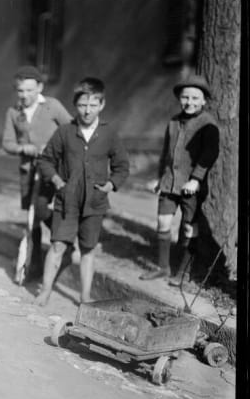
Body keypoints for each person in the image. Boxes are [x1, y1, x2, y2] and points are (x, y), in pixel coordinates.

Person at [34, 78, 130, 305]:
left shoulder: (109, 134)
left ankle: (85, 295)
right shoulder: (65, 132)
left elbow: (122, 165)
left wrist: (110, 185)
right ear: (75, 106)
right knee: (57, 244)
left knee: (88, 249)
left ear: (102, 105)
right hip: (66, 201)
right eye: (82, 105)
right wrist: (57, 180)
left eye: (93, 105)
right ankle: (45, 291)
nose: (87, 111)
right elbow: (46, 160)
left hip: (94, 203)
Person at [139, 75, 219, 287]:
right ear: (179, 99)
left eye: (195, 98)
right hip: (168, 184)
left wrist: (195, 180)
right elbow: (166, 153)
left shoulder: (207, 124)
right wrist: (159, 178)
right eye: (185, 97)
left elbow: (209, 154)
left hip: (190, 187)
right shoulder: (174, 122)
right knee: (163, 223)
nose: (189, 102)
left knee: (188, 228)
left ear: (204, 101)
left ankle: (183, 273)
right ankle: (163, 267)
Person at [1, 65, 73, 279]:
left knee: (41, 210)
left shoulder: (52, 106)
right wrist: (24, 148)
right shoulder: (14, 112)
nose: (24, 95)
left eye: (29, 90)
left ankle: (64, 245)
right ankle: (34, 265)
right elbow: (7, 142)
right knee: (33, 219)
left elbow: (71, 131)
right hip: (29, 171)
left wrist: (53, 149)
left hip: (53, 171)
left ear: (40, 87)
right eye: (20, 91)